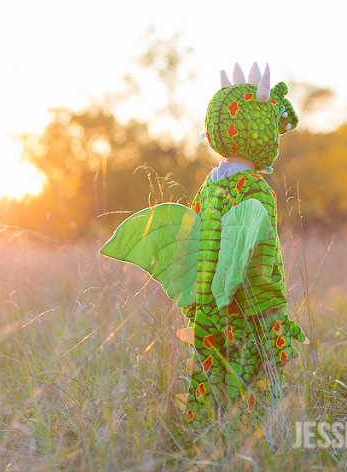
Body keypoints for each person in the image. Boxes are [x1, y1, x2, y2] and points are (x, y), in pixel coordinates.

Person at [101, 62, 307, 429]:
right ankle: (249, 434)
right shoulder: (257, 188)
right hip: (247, 302)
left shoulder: (210, 185)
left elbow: (192, 231)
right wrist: (271, 305)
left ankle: (205, 425)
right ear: (259, 132)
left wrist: (202, 297)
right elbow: (258, 253)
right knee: (253, 366)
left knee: (212, 365)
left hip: (206, 301)